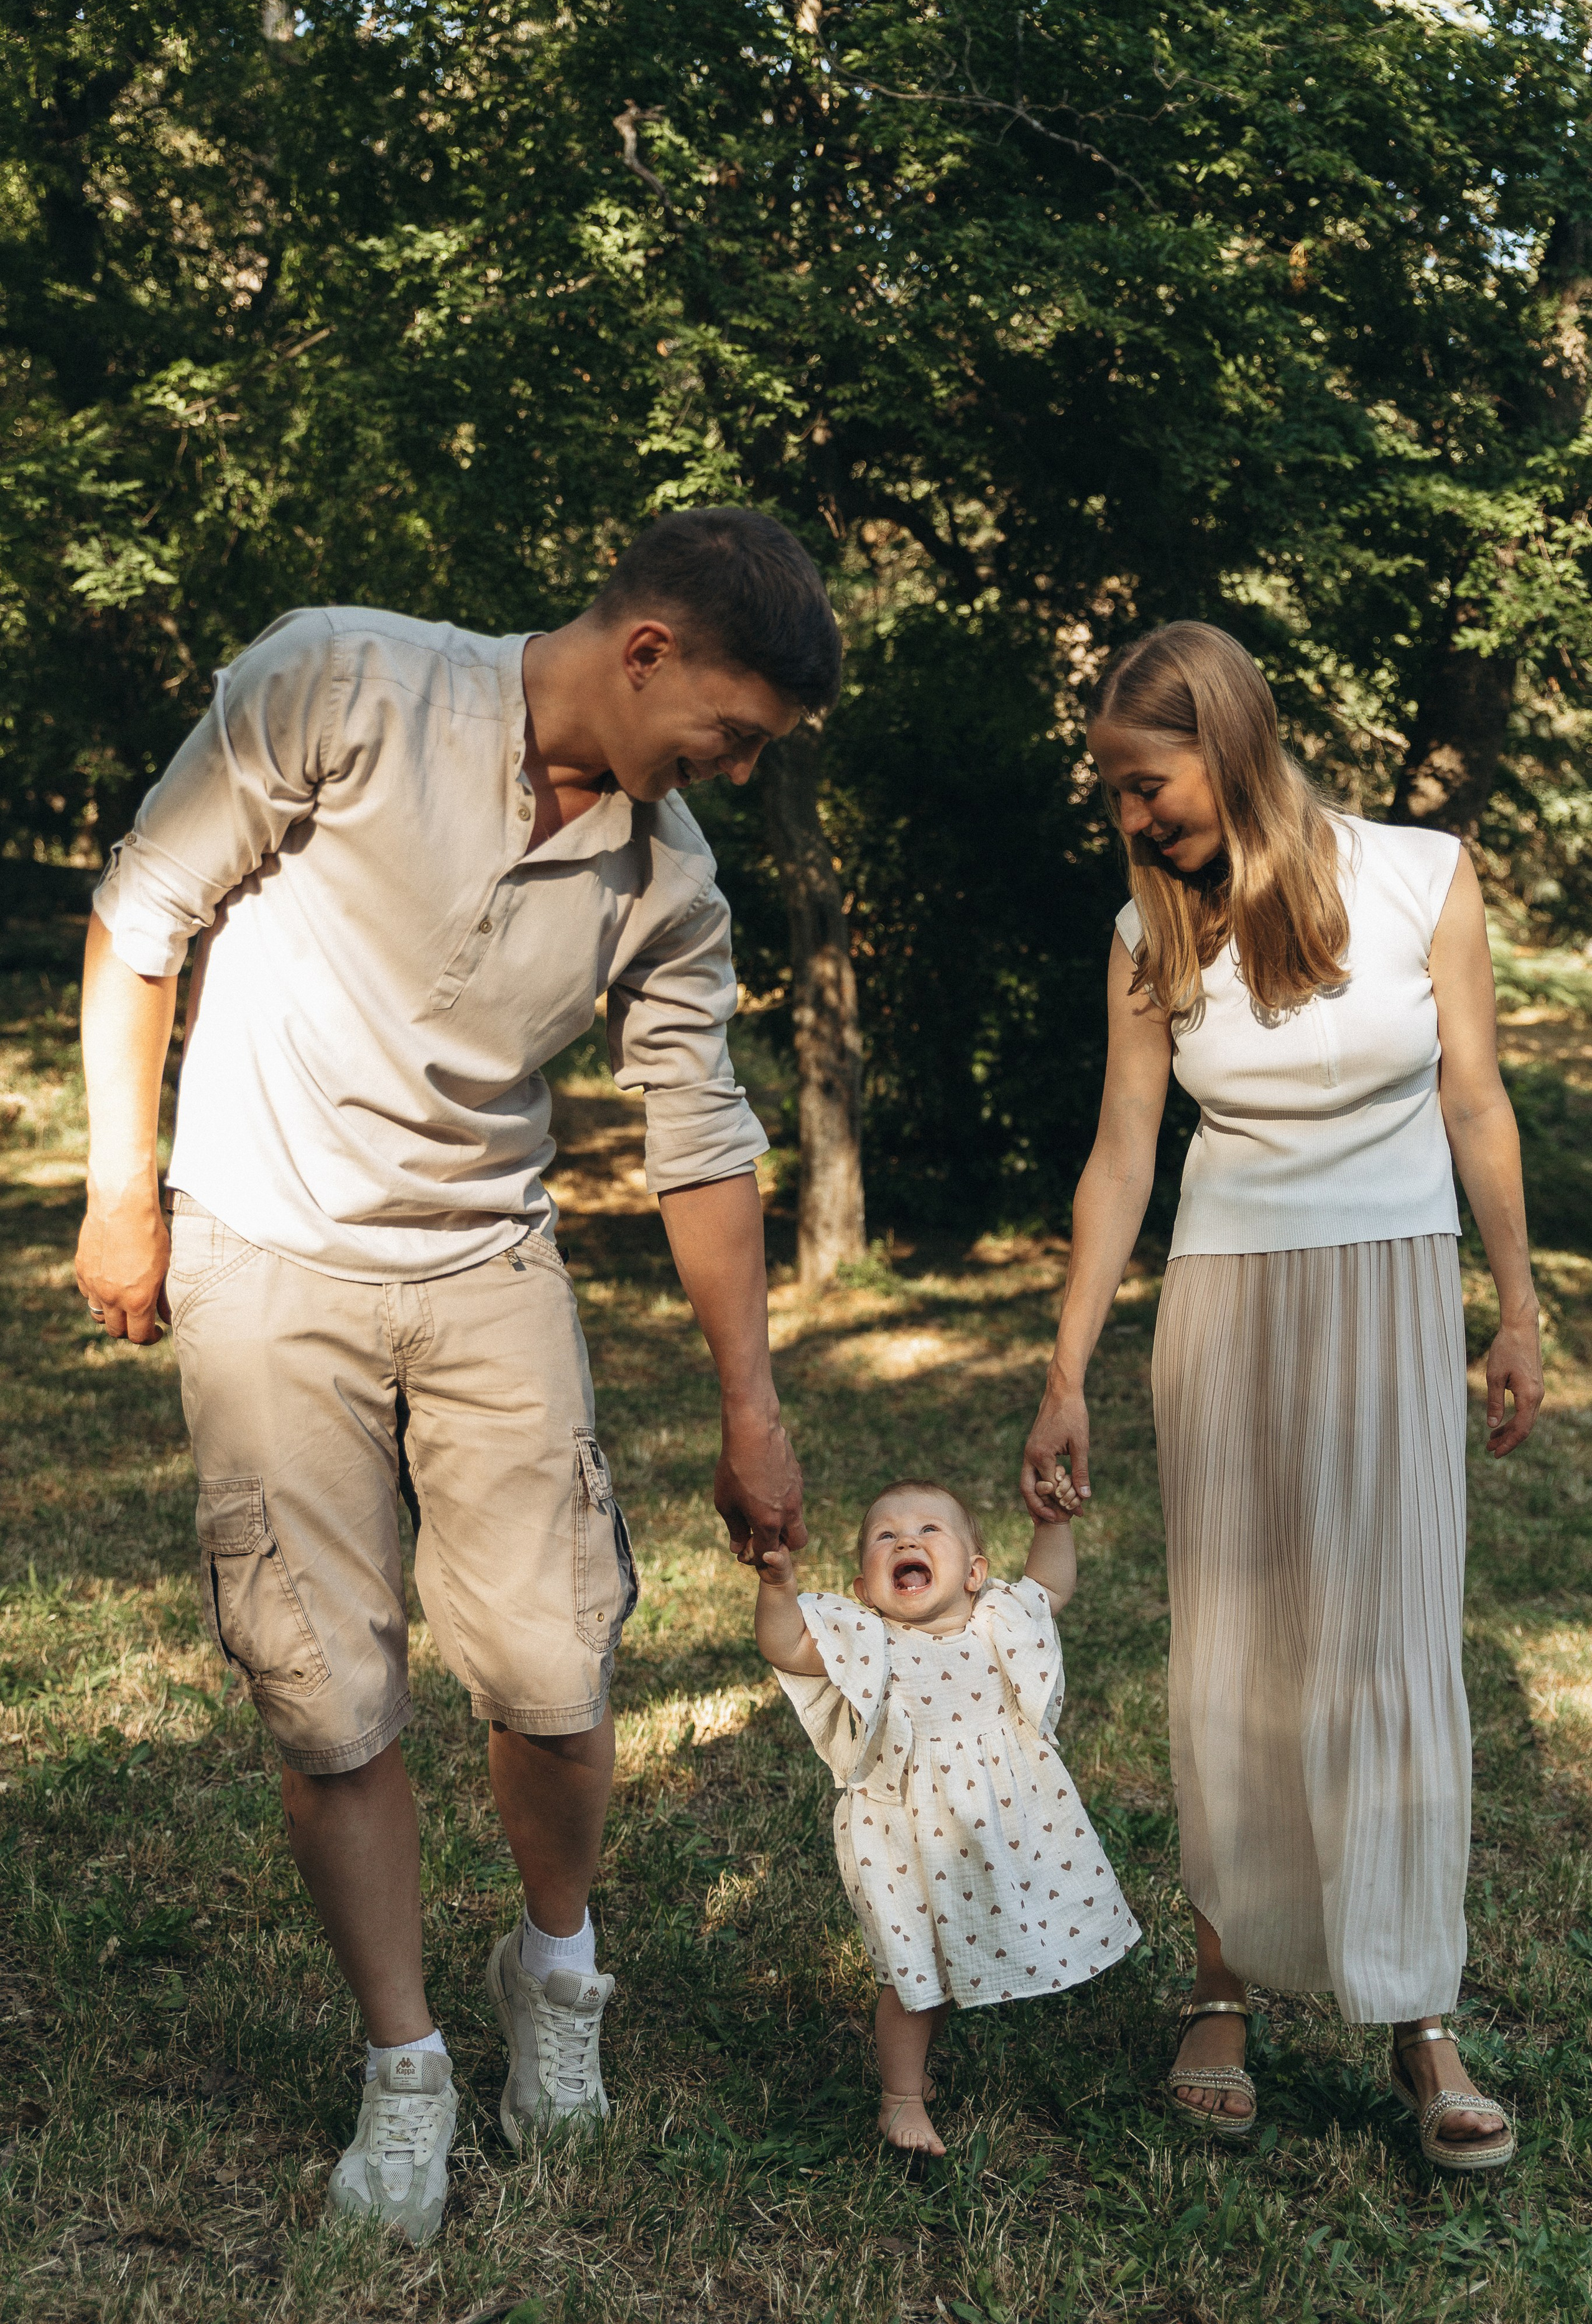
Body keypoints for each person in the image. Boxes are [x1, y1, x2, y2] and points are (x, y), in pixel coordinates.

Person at [74, 507, 838, 2243]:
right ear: (647, 653)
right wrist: (123, 1191)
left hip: (489, 1261)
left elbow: (702, 1139)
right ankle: (404, 2067)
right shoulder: (343, 682)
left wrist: (753, 1409)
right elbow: (142, 913)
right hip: (269, 1248)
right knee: (331, 1697)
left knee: (559, 1672)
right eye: (731, 731)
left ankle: (553, 1976)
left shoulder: (671, 877)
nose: (733, 767)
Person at [1020, 621, 1541, 2175]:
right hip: (1226, 1300)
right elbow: (1123, 1156)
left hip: (1389, 1286)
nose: (1128, 815)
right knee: (1232, 1646)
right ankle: (1218, 1985)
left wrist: (1516, 1306)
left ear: (1227, 742)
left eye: (1142, 781)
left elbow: (1471, 1094)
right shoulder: (1144, 930)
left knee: (1386, 1641)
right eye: (1110, 790)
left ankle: (1416, 2014)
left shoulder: (1418, 878)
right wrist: (1064, 1370)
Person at [754, 1479, 1141, 2156]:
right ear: (863, 1587)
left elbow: (1051, 1589)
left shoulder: (999, 1620)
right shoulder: (868, 1641)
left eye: (929, 1530)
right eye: (885, 1536)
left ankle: (921, 2073)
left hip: (1003, 1822)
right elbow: (786, 1647)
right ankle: (901, 2097)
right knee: (912, 1971)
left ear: (974, 1573)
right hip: (903, 1836)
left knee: (959, 1945)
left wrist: (1051, 1522)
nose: (906, 1539)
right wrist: (779, 1587)